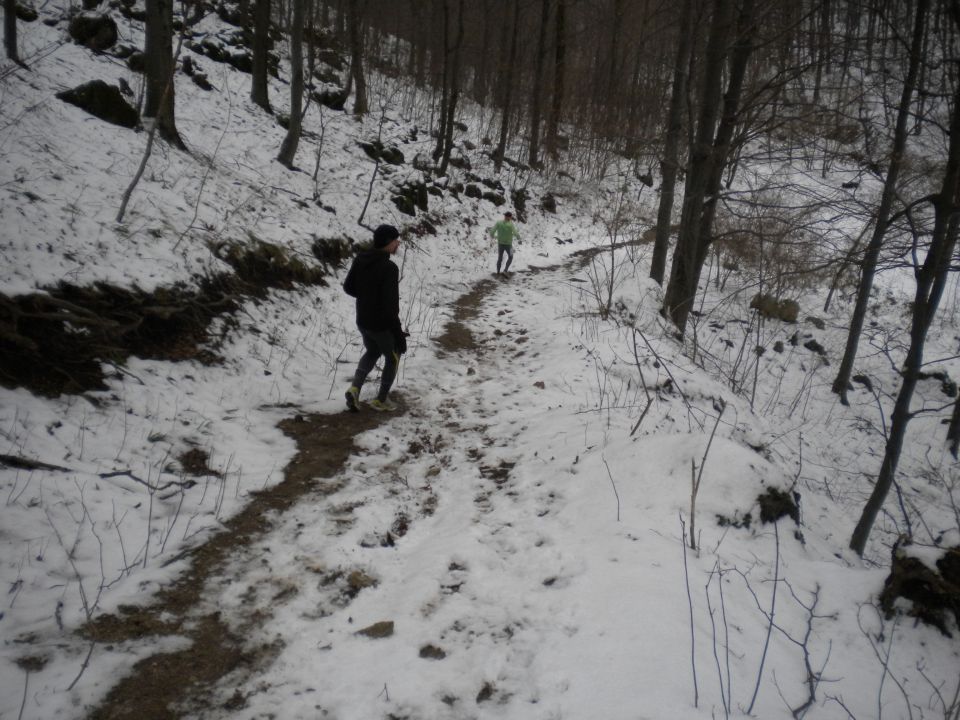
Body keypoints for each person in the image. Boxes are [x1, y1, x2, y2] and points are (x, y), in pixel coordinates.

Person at [342, 224, 407, 412]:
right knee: (393, 357)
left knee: (372, 351)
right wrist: (398, 334)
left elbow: (348, 287)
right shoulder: (389, 268)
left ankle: (355, 388)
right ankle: (381, 400)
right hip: (381, 325)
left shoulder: (361, 259)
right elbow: (391, 307)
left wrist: (366, 298)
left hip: (363, 320)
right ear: (388, 242)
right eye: (396, 240)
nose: (398, 243)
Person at [487, 210, 521, 275]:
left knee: (500, 258)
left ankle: (498, 272)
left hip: (500, 244)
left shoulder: (498, 223)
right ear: (509, 217)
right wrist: (518, 237)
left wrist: (495, 237)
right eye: (510, 217)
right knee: (511, 256)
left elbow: (491, 232)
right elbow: (515, 232)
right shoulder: (510, 224)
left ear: (505, 216)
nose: (510, 218)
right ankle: (505, 270)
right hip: (508, 245)